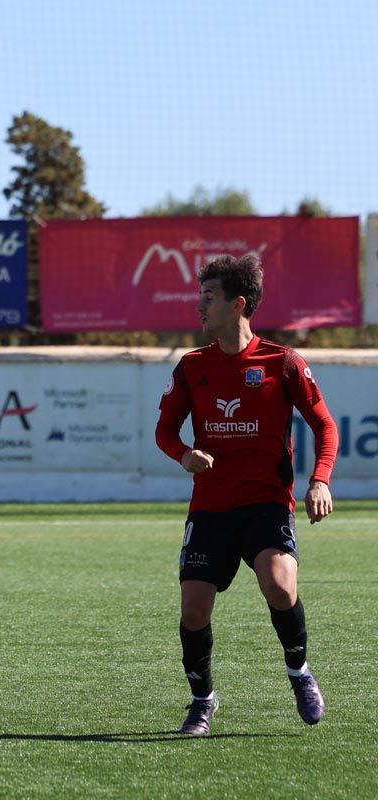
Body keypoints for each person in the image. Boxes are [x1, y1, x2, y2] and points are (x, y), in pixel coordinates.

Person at [155, 253, 338, 736]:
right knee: (193, 610)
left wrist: (320, 478)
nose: (200, 305)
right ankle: (202, 701)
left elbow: (324, 424)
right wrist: (184, 455)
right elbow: (164, 430)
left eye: (209, 297)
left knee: (279, 585)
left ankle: (299, 672)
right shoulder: (192, 366)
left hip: (266, 503)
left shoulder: (283, 362)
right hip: (211, 508)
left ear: (238, 304)